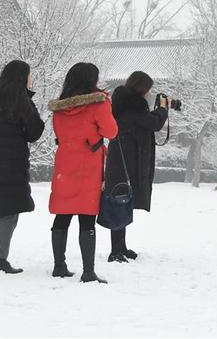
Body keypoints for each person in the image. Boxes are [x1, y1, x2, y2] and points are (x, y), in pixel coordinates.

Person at [48, 63, 118, 282]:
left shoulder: (59, 107)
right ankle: (88, 271)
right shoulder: (99, 102)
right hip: (88, 164)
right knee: (86, 215)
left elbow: (60, 133)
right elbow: (111, 131)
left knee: (63, 213)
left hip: (65, 163)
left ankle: (59, 266)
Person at [0, 60, 45, 274]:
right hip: (12, 162)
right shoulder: (20, 98)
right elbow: (34, 131)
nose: (31, 78)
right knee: (9, 210)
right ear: (22, 76)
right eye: (29, 75)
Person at [104, 71, 169, 263]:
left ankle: (121, 247)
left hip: (122, 161)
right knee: (119, 203)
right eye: (148, 89)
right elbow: (154, 123)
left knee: (123, 203)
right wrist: (163, 109)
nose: (149, 94)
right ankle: (115, 250)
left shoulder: (123, 103)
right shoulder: (132, 108)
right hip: (125, 162)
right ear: (142, 88)